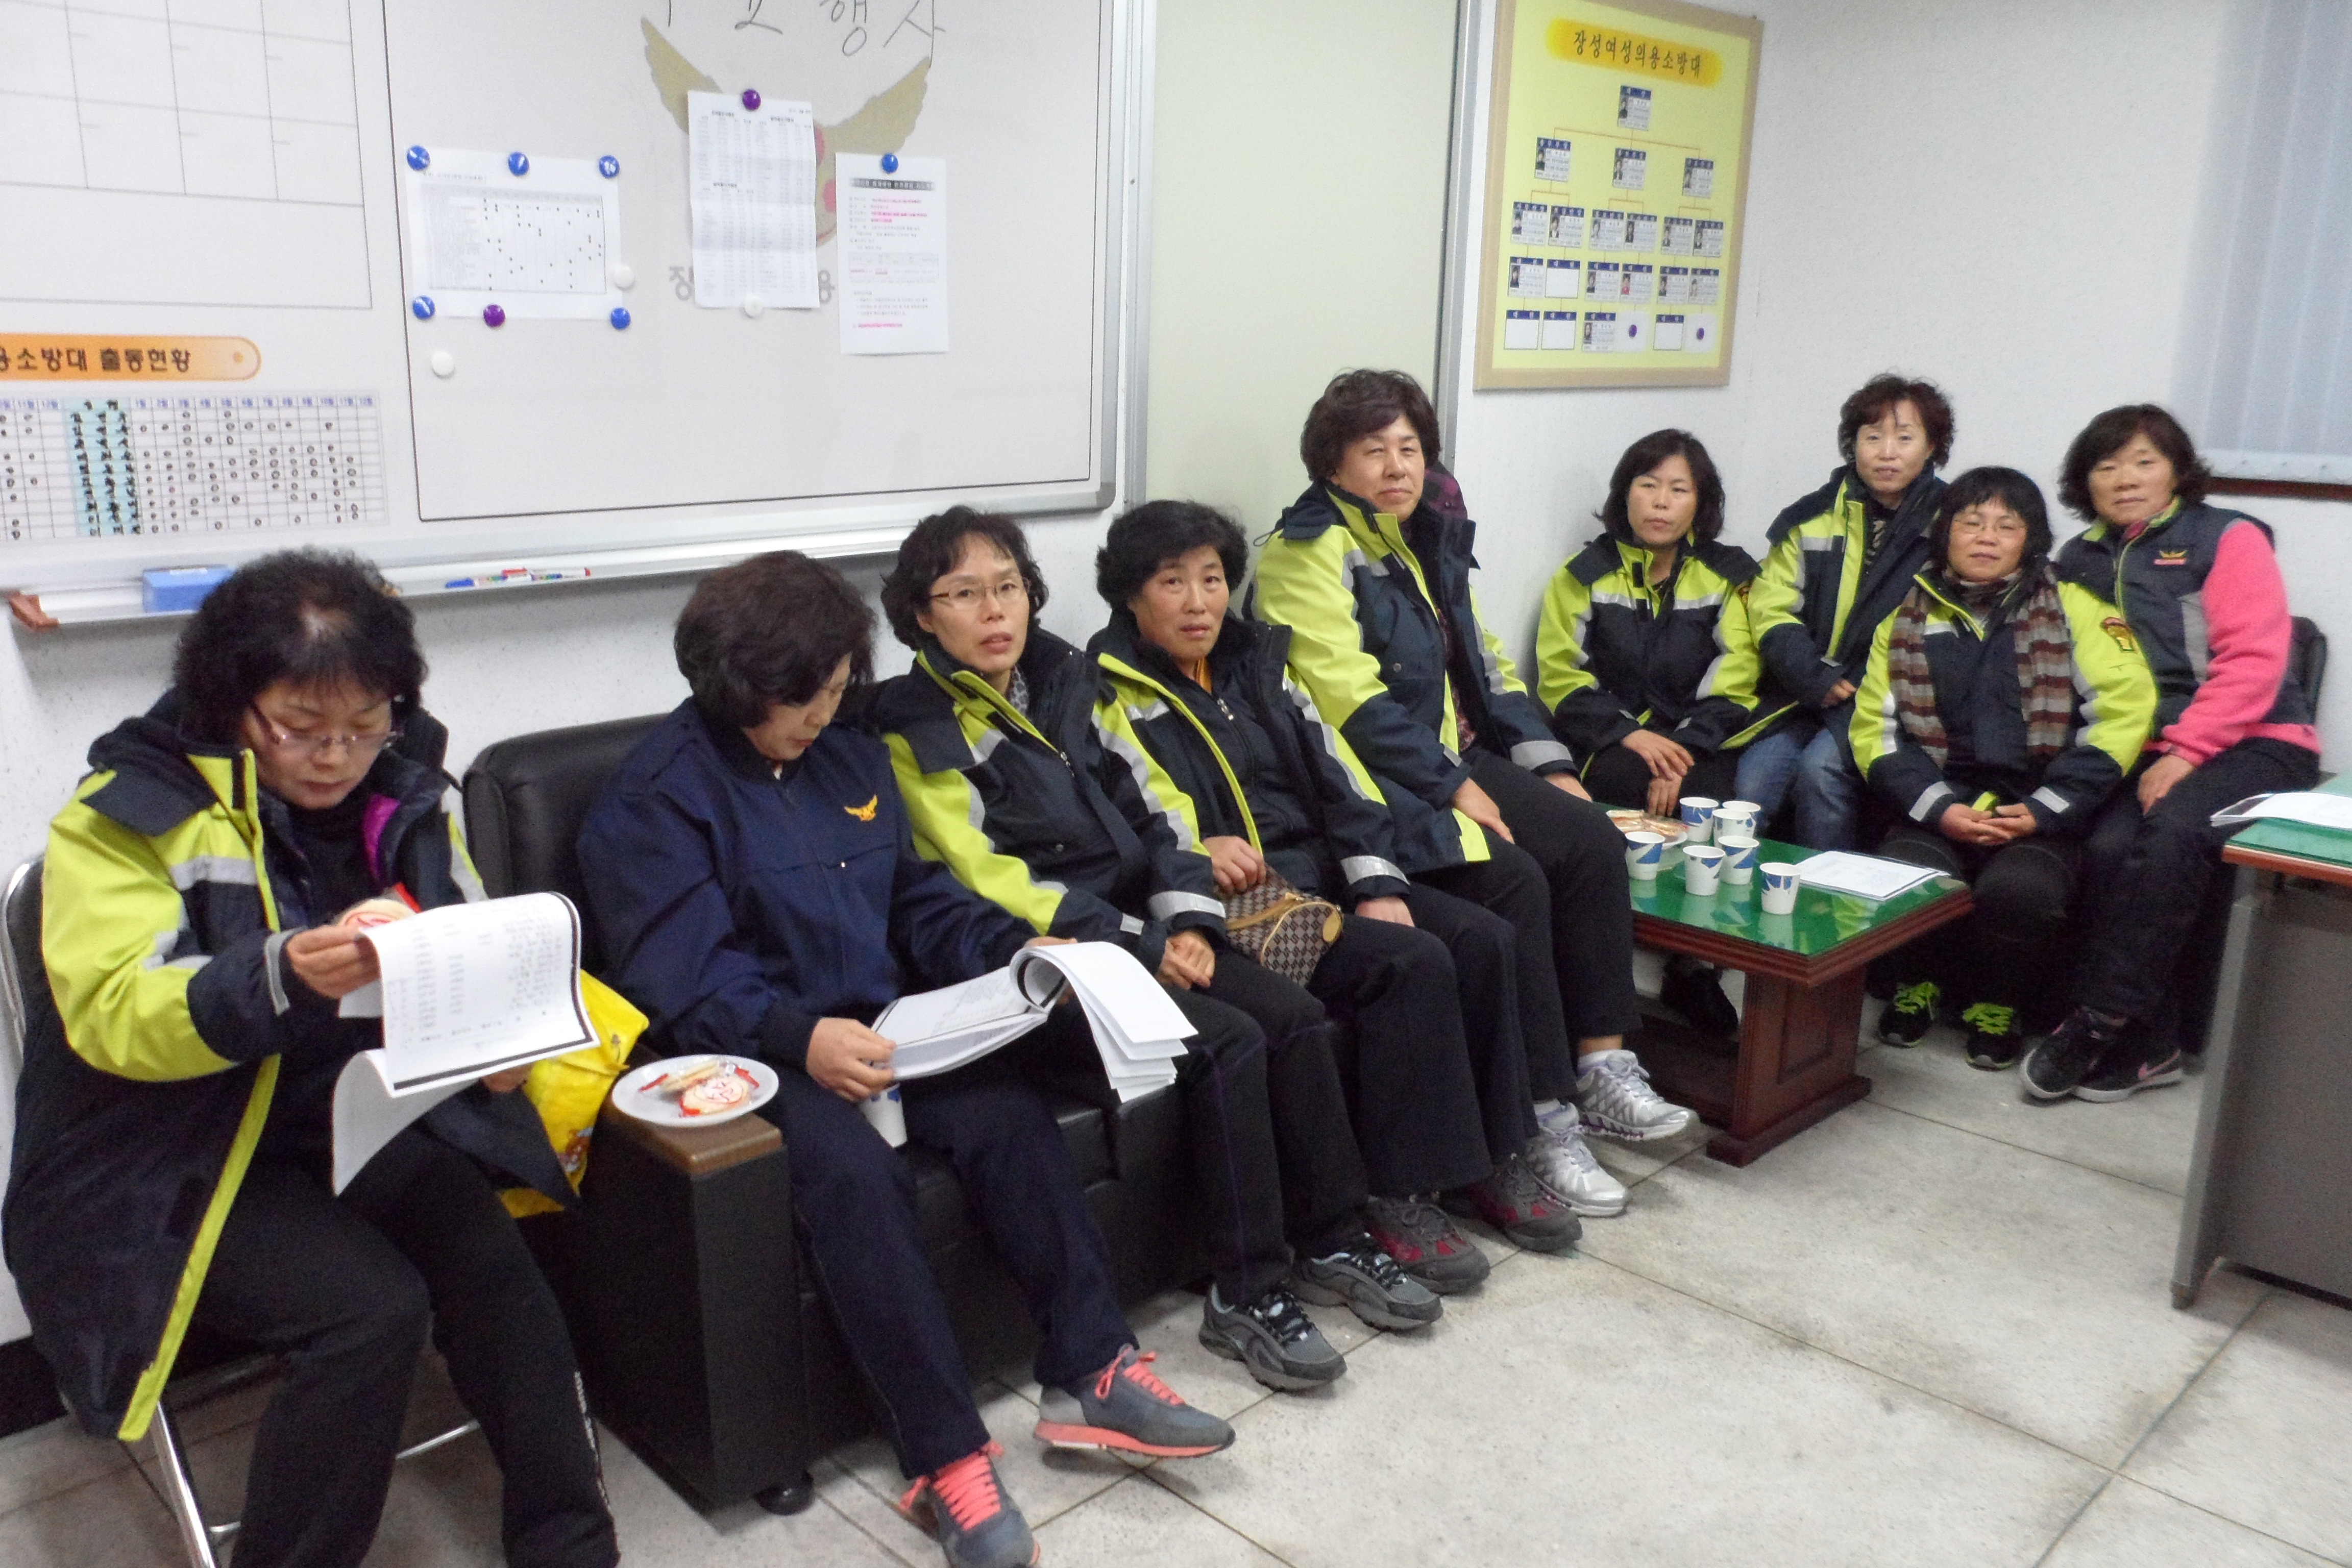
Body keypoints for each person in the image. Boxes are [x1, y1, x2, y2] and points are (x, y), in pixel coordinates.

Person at [578, 551, 1232, 1568]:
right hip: (755, 1052)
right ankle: (946, 1462)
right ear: (737, 688)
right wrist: (800, 1038)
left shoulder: (846, 755)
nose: (824, 714)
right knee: (855, 1178)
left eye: (837, 690)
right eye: (804, 699)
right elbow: (683, 976)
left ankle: (1093, 1373)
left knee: (1007, 1117)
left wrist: (1016, 951)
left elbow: (916, 901)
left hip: (885, 1023)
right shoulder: (656, 800)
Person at [5, 550, 617, 1568]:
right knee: (369, 1314)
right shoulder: (127, 815)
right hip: (168, 1155)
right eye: (300, 727)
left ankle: (573, 1546)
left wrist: (499, 1043)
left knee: (495, 1262)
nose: (337, 756)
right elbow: (111, 1016)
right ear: (230, 701)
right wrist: (278, 974)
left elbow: (464, 933)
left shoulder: (406, 788)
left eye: (365, 725)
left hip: (344, 1115)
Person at [873, 508, 1433, 1398]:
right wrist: (1136, 940)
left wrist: (1188, 919)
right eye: (965, 594)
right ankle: (1244, 1289)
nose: (995, 611)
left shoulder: (1067, 678)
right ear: (920, 615)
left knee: (1292, 1015)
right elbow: (989, 877)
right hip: (1049, 960)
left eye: (1008, 587)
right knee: (1226, 1039)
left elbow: (1163, 805)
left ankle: (1332, 1236)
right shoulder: (912, 728)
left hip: (1146, 923)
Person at [1089, 499, 1587, 1267]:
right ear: (1131, 594)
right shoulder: (1109, 691)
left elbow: (1343, 779)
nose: (1198, 603)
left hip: (1326, 871)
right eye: (1172, 582)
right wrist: (1201, 849)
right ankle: (1397, 1194)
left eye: (1213, 579)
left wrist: (1374, 881)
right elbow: (1138, 813)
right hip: (1248, 900)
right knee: (1410, 963)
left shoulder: (1260, 664)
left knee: (1485, 938)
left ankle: (1492, 1160)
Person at [1250, 369, 1695, 1213]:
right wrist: (1454, 786)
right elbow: (1349, 704)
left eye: (1409, 448)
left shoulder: (1417, 534)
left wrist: (1549, 766)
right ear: (1331, 463)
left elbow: (1484, 663)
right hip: (1378, 777)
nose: (1397, 467)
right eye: (1374, 451)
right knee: (1515, 878)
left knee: (1588, 838)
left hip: (1448, 753)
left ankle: (1602, 1066)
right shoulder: (1305, 551)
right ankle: (1543, 1116)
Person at [2026, 406, 2323, 1101]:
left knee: (2172, 833)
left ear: (2177, 472)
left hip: (2259, 741)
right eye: (2106, 466)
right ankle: (2153, 1043)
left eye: (2144, 462)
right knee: (2105, 849)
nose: (2125, 479)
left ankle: (2098, 1021)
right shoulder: (2078, 559)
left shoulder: (2227, 538)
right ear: (2085, 482)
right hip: (2146, 745)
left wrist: (2186, 752)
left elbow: (2253, 662)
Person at [1847, 469, 2155, 1068]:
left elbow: (2122, 716)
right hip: (1941, 800)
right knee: (1908, 878)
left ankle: (2000, 1005)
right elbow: (1876, 733)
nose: (1987, 538)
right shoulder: (1904, 617)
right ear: (1945, 534)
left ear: (2030, 539)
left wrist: (2045, 809)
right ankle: (1916, 987)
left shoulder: (2077, 611)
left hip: (2039, 807)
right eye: (1971, 523)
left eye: (2006, 526)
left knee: (2022, 893)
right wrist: (1940, 807)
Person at [1535, 428, 1769, 1035]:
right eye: (1648, 486)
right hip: (1611, 739)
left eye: (1678, 489)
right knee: (1617, 790)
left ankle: (1694, 967)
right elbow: (1560, 677)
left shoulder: (1730, 576)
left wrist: (1683, 748)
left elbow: (1738, 679)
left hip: (1700, 736)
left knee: (1712, 809)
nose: (1661, 502)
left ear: (1701, 502)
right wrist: (1630, 735)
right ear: (1625, 495)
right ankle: (1604, 959)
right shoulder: (1583, 575)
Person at [1739, 374, 1956, 849]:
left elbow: (1947, 624)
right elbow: (1770, 606)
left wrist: (1855, 682)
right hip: (1804, 691)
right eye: (1872, 437)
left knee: (1821, 771)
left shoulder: (1951, 524)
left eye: (1905, 438)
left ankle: (1827, 889)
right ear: (1852, 444)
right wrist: (1810, 673)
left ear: (1932, 447)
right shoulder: (1811, 516)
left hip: (1888, 699)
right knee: (1754, 781)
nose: (1887, 453)